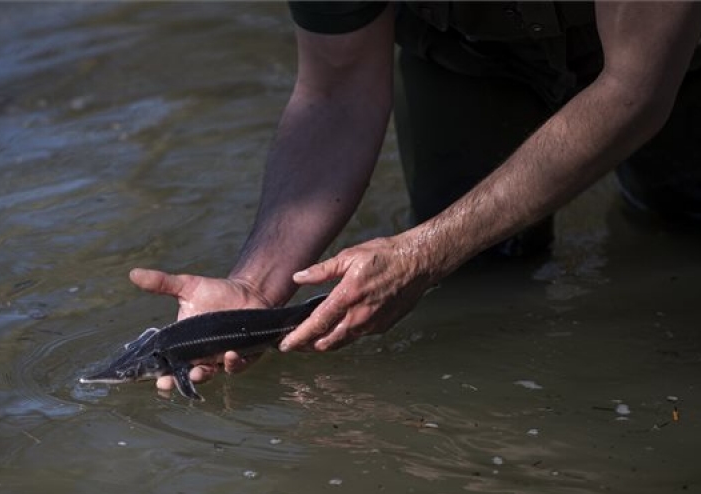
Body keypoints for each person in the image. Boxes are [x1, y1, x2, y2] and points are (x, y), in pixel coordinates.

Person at [129, 2, 701, 394]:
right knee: (482, 275)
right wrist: (253, 285)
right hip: (470, 54)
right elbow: (337, 89)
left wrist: (423, 253)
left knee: (674, 229)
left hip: (676, 52)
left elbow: (635, 88)